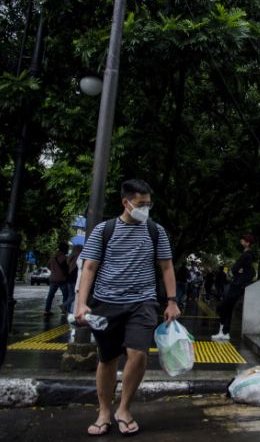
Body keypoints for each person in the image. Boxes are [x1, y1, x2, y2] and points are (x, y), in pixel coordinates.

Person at [74, 179, 180, 436]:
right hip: (106, 303)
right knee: (107, 359)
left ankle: (124, 408)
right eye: (141, 204)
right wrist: (81, 303)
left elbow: (166, 267)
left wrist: (172, 301)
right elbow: (89, 267)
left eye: (148, 204)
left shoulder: (156, 231)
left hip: (143, 302)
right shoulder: (104, 230)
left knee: (138, 354)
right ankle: (103, 412)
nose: (146, 208)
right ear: (126, 203)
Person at [212, 234, 255, 341]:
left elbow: (235, 269)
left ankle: (223, 332)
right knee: (227, 308)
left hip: (237, 285)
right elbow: (239, 269)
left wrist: (237, 272)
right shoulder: (247, 254)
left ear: (248, 243)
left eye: (243, 239)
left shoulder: (247, 255)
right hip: (237, 285)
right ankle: (223, 332)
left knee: (224, 306)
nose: (241, 240)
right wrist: (238, 271)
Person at [44, 242, 70, 316]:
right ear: (64, 249)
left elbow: (48, 266)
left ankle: (47, 310)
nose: (68, 250)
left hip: (53, 279)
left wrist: (54, 271)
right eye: (67, 249)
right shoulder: (64, 258)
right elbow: (67, 269)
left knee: (50, 295)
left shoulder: (53, 256)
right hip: (62, 279)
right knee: (66, 295)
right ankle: (64, 310)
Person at [63, 243, 83, 314]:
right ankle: (64, 305)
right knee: (74, 295)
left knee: (70, 295)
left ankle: (68, 309)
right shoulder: (78, 257)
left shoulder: (70, 256)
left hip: (69, 277)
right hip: (74, 278)